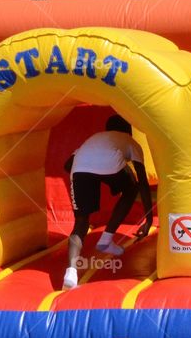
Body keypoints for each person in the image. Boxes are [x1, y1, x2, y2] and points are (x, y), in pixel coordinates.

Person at [63, 115, 153, 290]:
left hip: (80, 169)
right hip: (110, 166)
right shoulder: (130, 141)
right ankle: (106, 238)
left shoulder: (94, 139)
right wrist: (148, 219)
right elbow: (142, 180)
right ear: (129, 131)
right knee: (131, 188)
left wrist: (93, 175)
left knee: (81, 222)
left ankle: (71, 273)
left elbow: (68, 165)